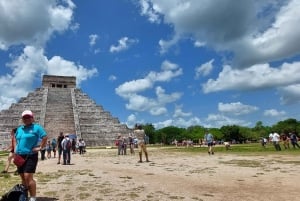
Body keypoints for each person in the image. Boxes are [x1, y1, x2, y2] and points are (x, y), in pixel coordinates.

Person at [14, 110, 47, 201]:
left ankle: (33, 197)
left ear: (32, 118)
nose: (26, 119)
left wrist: (40, 147)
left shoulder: (37, 128)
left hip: (31, 155)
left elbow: (45, 136)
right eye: (24, 117)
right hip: (20, 156)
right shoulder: (20, 129)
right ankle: (25, 196)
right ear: (22, 119)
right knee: (23, 177)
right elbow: (16, 139)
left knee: (28, 176)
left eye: (28, 117)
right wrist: (15, 151)